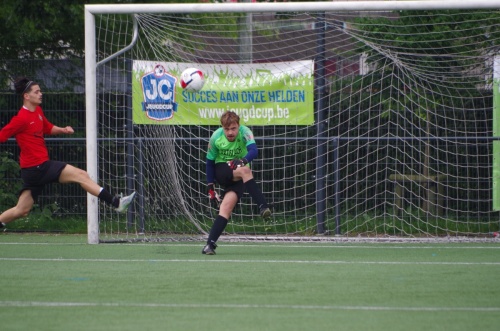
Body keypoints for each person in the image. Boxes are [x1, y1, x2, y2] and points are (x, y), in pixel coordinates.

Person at [0, 77, 136, 230]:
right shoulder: (20, 119)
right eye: (36, 92)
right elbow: (2, 135)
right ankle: (116, 203)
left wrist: (62, 129)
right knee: (81, 175)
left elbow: (47, 127)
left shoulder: (37, 111)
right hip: (37, 167)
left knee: (21, 210)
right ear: (26, 96)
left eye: (40, 91)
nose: (40, 94)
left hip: (33, 170)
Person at [202, 111, 271, 255]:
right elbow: (209, 163)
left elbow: (254, 151)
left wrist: (242, 161)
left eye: (233, 128)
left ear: (238, 126)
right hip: (221, 169)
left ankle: (210, 245)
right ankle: (263, 206)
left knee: (226, 208)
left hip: (237, 174)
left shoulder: (245, 132)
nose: (230, 132)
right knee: (245, 171)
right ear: (222, 127)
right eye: (227, 129)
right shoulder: (216, 136)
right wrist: (210, 187)